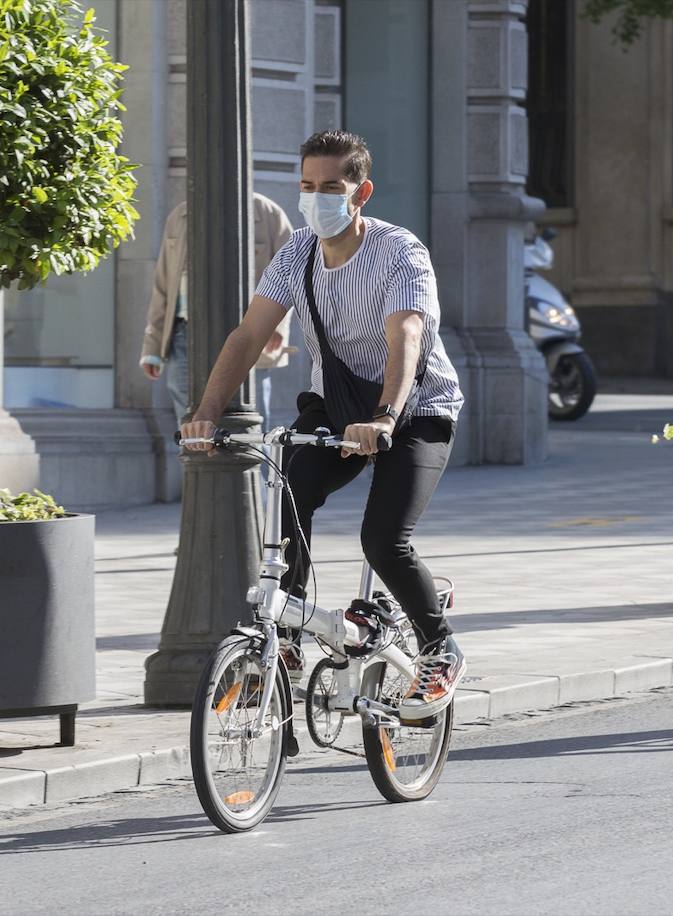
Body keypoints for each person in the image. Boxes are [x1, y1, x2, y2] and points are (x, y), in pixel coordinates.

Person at [180, 130, 467, 721]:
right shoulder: (297, 253)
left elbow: (405, 334)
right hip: (335, 405)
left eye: (330, 188)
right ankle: (281, 645)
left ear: (361, 191)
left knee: (383, 538)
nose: (316, 199)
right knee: (290, 503)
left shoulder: (400, 251)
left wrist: (385, 415)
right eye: (307, 187)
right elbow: (248, 334)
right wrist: (206, 411)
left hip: (415, 410)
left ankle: (440, 647)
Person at [141, 193, 295, 424]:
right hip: (186, 336)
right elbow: (163, 283)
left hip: (250, 333)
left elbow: (291, 274)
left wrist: (277, 327)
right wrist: (152, 346)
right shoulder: (180, 216)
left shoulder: (268, 214)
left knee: (251, 424)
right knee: (190, 425)